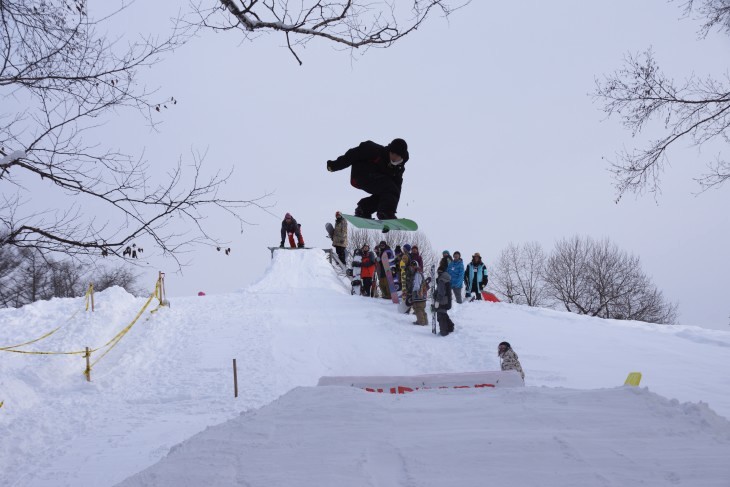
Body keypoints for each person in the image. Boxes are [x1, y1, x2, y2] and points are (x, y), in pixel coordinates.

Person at [326, 138, 409, 220]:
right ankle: (385, 212)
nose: (393, 157)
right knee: (389, 187)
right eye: (392, 153)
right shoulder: (374, 150)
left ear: (402, 156)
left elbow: (396, 190)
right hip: (360, 176)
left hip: (377, 180)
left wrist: (390, 216)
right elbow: (352, 155)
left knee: (386, 196)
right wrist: (334, 165)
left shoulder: (398, 169)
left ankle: (363, 209)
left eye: (397, 155)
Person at [433, 259, 455, 336]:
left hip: (442, 301)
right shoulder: (446, 279)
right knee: (444, 314)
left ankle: (444, 331)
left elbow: (441, 293)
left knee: (441, 316)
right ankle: (450, 327)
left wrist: (437, 301)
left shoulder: (442, 280)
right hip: (447, 301)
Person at [410, 261, 429, 326]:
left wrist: (413, 292)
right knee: (422, 308)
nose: (412, 267)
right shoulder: (420, 273)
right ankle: (425, 321)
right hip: (423, 294)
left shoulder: (417, 274)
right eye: (412, 266)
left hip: (418, 294)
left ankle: (421, 322)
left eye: (414, 265)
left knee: (418, 308)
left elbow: (417, 285)